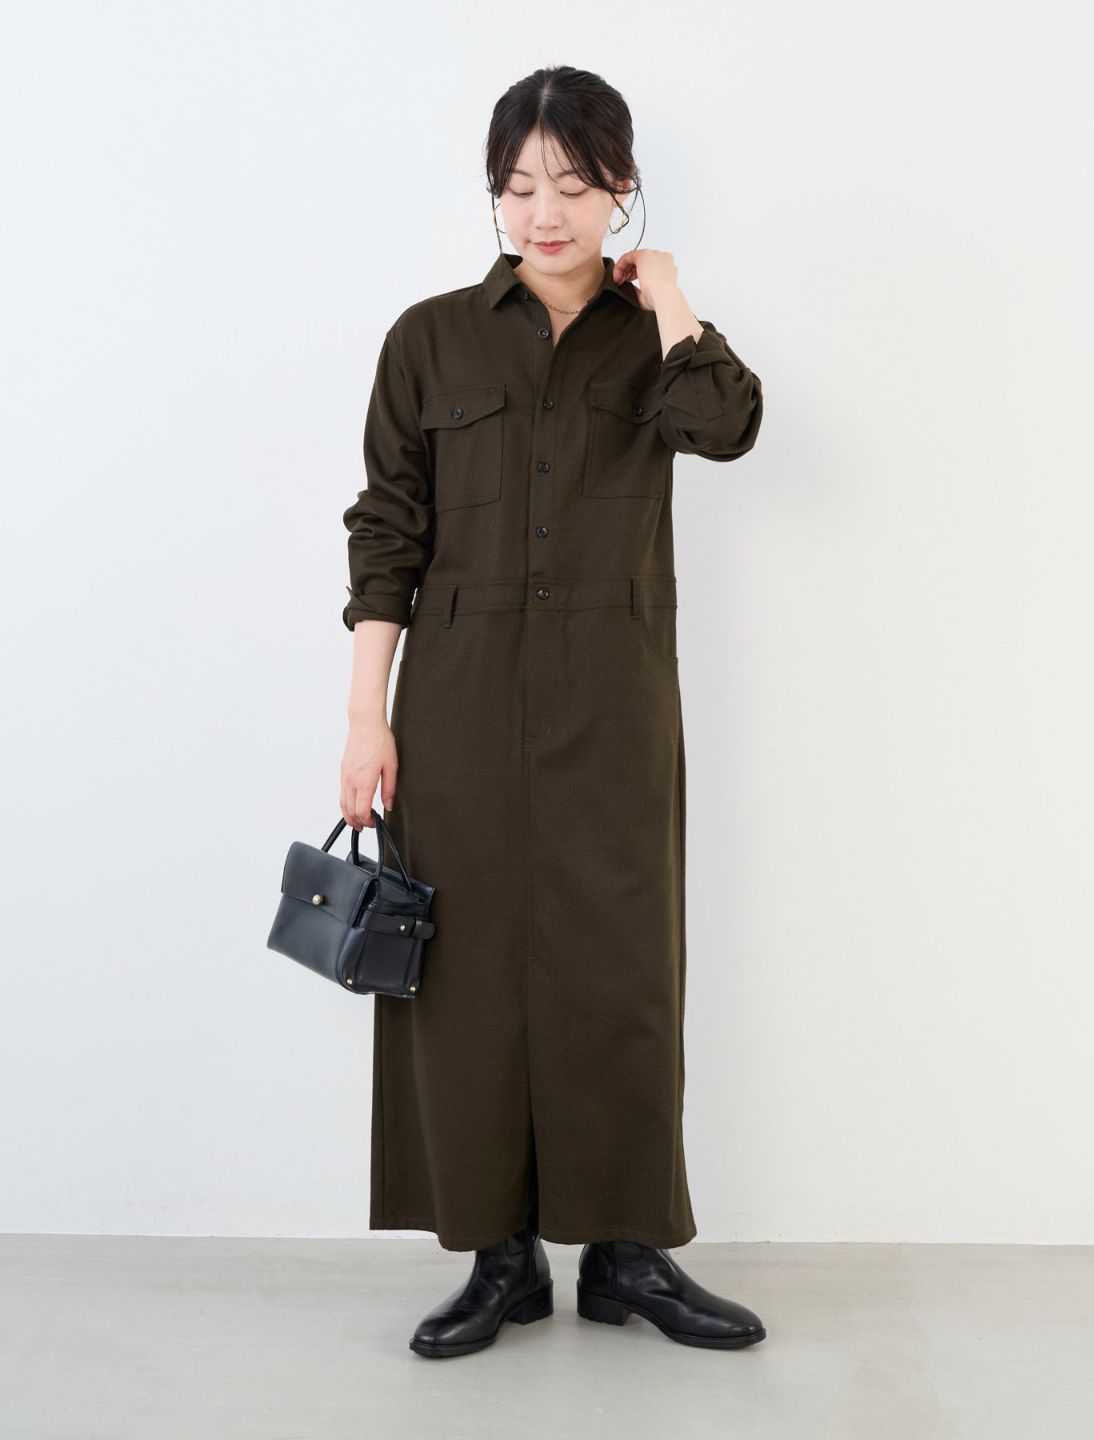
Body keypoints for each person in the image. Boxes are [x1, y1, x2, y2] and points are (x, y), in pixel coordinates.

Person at [339, 65, 765, 1359]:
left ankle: (628, 1257)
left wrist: (672, 294)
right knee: (466, 981)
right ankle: (500, 1259)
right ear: (494, 194)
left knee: (622, 973)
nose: (545, 212)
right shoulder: (428, 341)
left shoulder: (656, 343)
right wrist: (366, 718)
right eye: (520, 186)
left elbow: (728, 426)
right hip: (458, 705)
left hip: (613, 704)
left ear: (620, 190)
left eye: (574, 185)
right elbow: (387, 535)